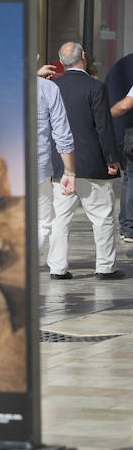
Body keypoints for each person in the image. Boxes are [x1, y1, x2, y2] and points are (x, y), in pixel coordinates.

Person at [48, 42, 122, 280]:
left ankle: (57, 268)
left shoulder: (51, 87)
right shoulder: (95, 87)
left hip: (61, 166)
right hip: (92, 163)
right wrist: (111, 158)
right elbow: (103, 126)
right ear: (83, 57)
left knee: (60, 218)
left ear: (61, 61)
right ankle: (105, 266)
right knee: (102, 216)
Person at [36, 63, 75, 251]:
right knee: (42, 221)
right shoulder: (47, 87)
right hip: (37, 167)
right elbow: (61, 132)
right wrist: (69, 171)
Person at [105, 53, 133, 241]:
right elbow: (125, 105)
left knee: (128, 179)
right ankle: (129, 227)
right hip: (129, 133)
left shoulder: (120, 65)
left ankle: (126, 227)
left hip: (120, 134)